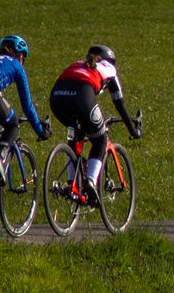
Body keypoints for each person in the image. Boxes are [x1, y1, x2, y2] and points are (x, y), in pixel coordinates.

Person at [49, 45, 139, 205]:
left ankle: (72, 184)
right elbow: (119, 105)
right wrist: (132, 129)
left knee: (77, 134)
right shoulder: (110, 69)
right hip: (81, 97)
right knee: (99, 139)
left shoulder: (79, 63)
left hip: (57, 98)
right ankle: (90, 181)